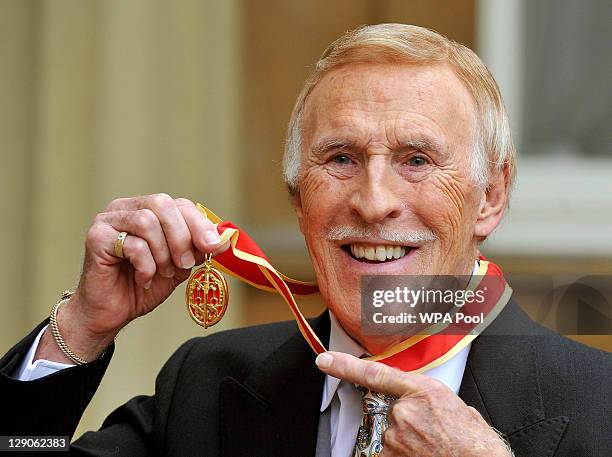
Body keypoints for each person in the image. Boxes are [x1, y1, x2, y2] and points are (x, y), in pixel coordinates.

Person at [1, 23, 610, 457]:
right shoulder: (207, 387)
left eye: (417, 160)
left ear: (491, 197)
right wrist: (81, 327)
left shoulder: (598, 406)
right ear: (299, 200)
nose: (373, 201)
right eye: (340, 159)